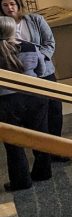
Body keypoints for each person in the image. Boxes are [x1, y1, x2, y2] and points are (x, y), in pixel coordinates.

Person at [0, 0, 63, 152]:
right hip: (15, 75)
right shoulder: (3, 25)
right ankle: (41, 150)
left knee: (54, 110)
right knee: (32, 115)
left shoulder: (35, 20)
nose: (10, 8)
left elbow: (49, 42)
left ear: (18, 5)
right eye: (5, 5)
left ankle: (57, 149)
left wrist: (36, 58)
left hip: (42, 71)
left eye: (12, 4)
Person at [0, 16, 51, 191]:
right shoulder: (30, 47)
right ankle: (43, 172)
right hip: (34, 97)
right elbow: (41, 70)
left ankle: (21, 181)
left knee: (13, 143)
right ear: (13, 30)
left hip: (6, 101)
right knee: (40, 135)